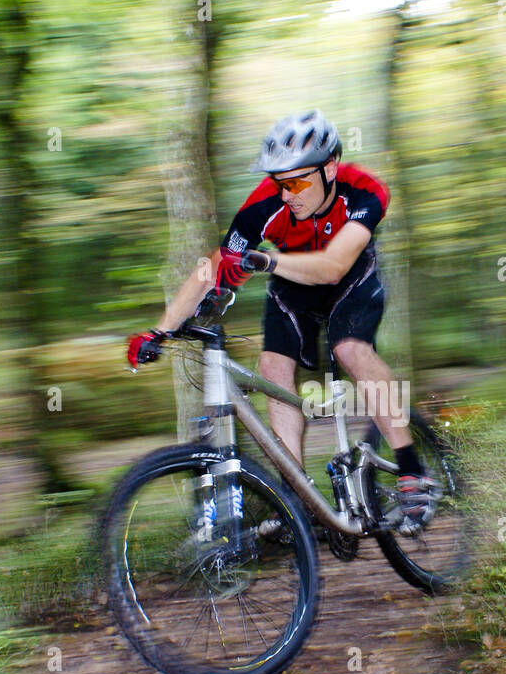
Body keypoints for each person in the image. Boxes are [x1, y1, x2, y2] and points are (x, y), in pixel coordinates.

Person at [126, 110, 440, 535]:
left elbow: (333, 266)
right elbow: (214, 266)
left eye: (296, 181)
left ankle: (411, 469)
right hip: (292, 281)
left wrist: (264, 259)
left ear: (329, 168)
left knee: (350, 349)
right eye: (279, 182)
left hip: (349, 276)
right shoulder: (264, 204)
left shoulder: (363, 190)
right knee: (271, 367)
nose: (286, 192)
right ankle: (296, 496)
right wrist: (160, 329)